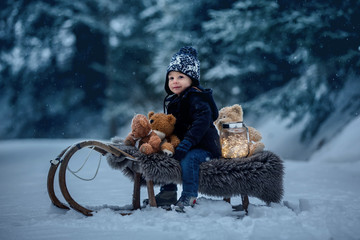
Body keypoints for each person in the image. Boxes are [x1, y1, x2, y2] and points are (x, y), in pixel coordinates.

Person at [155, 46, 221, 212]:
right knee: (167, 155)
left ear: (192, 79)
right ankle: (168, 192)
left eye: (180, 77)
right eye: (170, 78)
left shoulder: (197, 98)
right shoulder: (175, 101)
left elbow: (202, 122)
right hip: (186, 143)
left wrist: (188, 141)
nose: (174, 81)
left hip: (204, 147)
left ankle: (189, 195)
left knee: (188, 159)